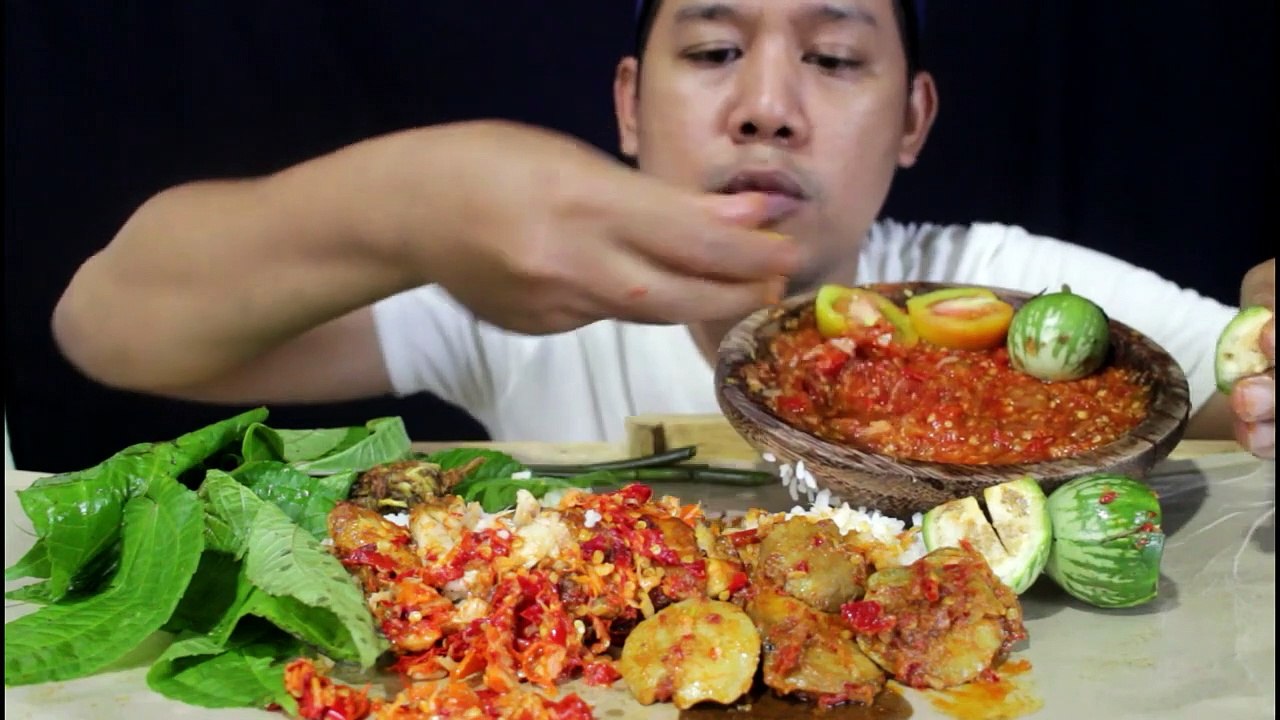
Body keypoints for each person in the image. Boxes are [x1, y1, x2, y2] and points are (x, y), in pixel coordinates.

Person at [51, 0, 1274, 460]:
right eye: (712, 50)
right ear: (630, 104)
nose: (764, 106)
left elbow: (1239, 366)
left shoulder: (994, 286)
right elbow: (114, 331)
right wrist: (408, 202)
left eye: (835, 57)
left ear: (911, 120)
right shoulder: (525, 296)